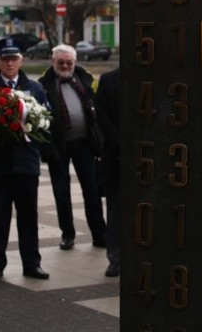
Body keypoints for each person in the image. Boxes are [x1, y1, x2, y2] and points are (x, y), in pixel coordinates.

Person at [0, 37, 49, 282]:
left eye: (14, 58)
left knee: (29, 217)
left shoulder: (35, 88)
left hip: (26, 164)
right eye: (5, 59)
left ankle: (32, 263)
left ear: (21, 60)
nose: (10, 63)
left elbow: (47, 120)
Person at [38, 44, 106, 250]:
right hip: (58, 145)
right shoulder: (43, 84)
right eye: (61, 62)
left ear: (75, 62)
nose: (65, 65)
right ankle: (67, 234)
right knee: (61, 192)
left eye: (69, 62)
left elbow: (97, 105)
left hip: (85, 143)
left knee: (92, 190)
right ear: (53, 62)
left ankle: (99, 234)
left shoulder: (85, 78)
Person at [94, 67, 120, 277]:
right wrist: (120, 142)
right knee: (116, 210)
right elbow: (101, 116)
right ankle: (116, 259)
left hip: (148, 156)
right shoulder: (108, 80)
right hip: (117, 157)